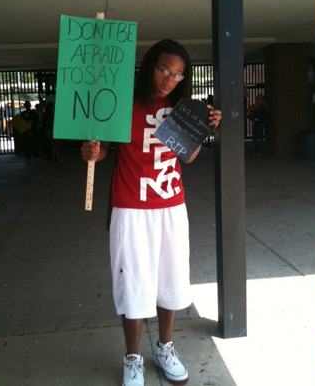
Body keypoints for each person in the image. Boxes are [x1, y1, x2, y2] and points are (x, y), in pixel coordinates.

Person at [81, 39, 222, 386]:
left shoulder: (182, 107)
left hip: (171, 205)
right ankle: (132, 357)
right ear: (149, 67)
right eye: (163, 70)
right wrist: (90, 152)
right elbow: (102, 153)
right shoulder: (122, 102)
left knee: (169, 281)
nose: (169, 79)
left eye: (177, 74)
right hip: (130, 206)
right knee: (134, 283)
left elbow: (186, 157)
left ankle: (164, 347)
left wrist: (205, 130)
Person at [246, 94, 269, 158]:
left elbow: (258, 115)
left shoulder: (263, 108)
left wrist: (251, 112)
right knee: (255, 139)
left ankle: (262, 153)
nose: (258, 100)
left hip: (260, 124)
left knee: (260, 139)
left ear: (262, 100)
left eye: (260, 98)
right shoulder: (257, 107)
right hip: (256, 123)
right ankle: (258, 153)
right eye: (257, 98)